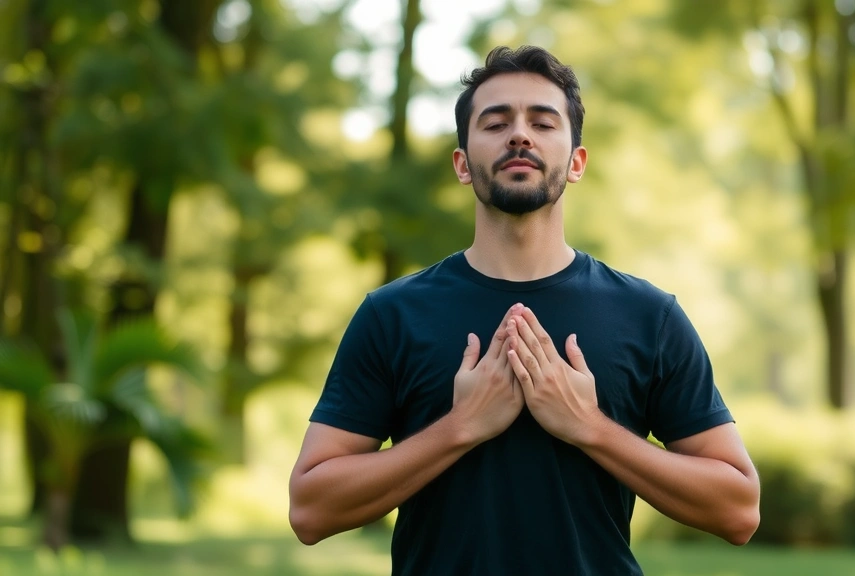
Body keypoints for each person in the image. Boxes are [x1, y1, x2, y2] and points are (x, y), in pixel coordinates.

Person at [289, 45, 760, 575]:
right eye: (495, 123)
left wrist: (589, 426)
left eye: (542, 122)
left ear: (576, 162)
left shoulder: (648, 316)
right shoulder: (392, 315)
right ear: (463, 165)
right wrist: (461, 426)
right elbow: (310, 509)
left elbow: (738, 509)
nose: (520, 135)